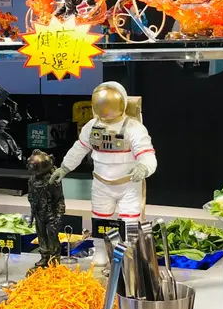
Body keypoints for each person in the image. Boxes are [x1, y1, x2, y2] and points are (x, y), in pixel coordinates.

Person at [53, 81, 156, 225]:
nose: (106, 109)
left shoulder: (133, 128)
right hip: (101, 185)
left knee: (130, 226)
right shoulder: (91, 126)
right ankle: (101, 241)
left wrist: (144, 167)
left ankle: (128, 241)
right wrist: (65, 167)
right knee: (100, 225)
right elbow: (79, 149)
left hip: (128, 186)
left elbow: (146, 154)